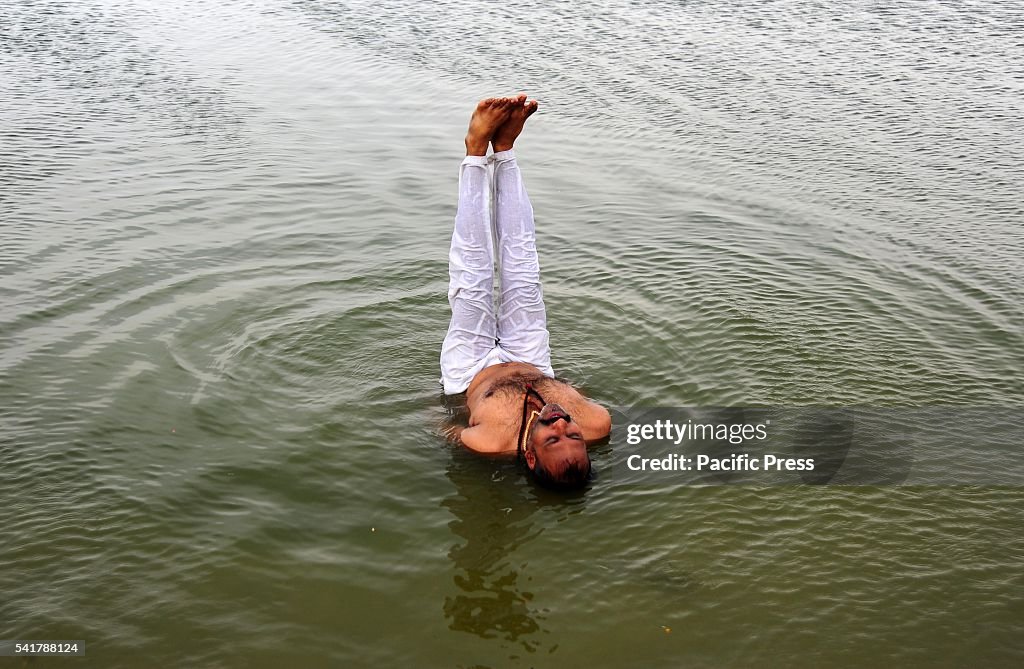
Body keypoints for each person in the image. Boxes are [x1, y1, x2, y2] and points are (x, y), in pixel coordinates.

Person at [440, 95, 612, 489]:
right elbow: (578, 400)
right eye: (573, 437)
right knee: (523, 263)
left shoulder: (488, 442)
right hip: (533, 358)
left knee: (473, 270)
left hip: (470, 370)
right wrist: (562, 388)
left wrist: (444, 401)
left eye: (553, 437)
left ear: (530, 455)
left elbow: (439, 427)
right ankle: (504, 149)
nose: (561, 422)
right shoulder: (596, 422)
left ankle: (474, 152)